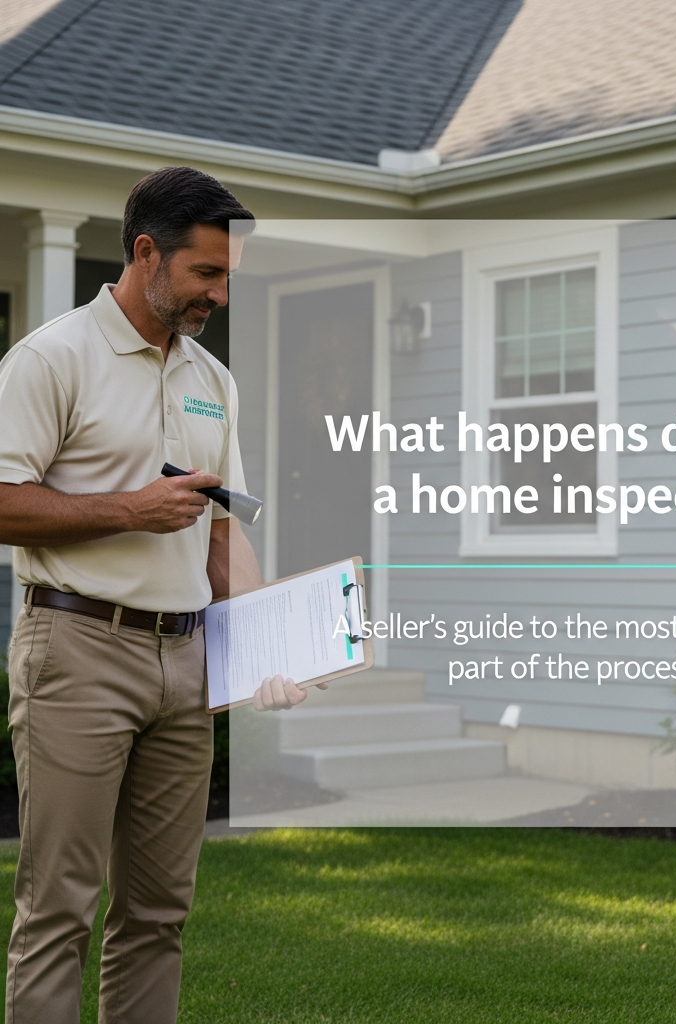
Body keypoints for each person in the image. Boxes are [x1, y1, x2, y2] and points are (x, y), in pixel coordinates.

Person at [0, 166, 313, 1023]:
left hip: (186, 663)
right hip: (78, 651)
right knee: (59, 910)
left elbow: (222, 532)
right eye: (205, 273)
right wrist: (129, 509)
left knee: (159, 914)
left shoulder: (214, 381)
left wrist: (263, 648)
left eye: (226, 277)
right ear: (146, 253)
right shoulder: (52, 358)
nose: (218, 293)